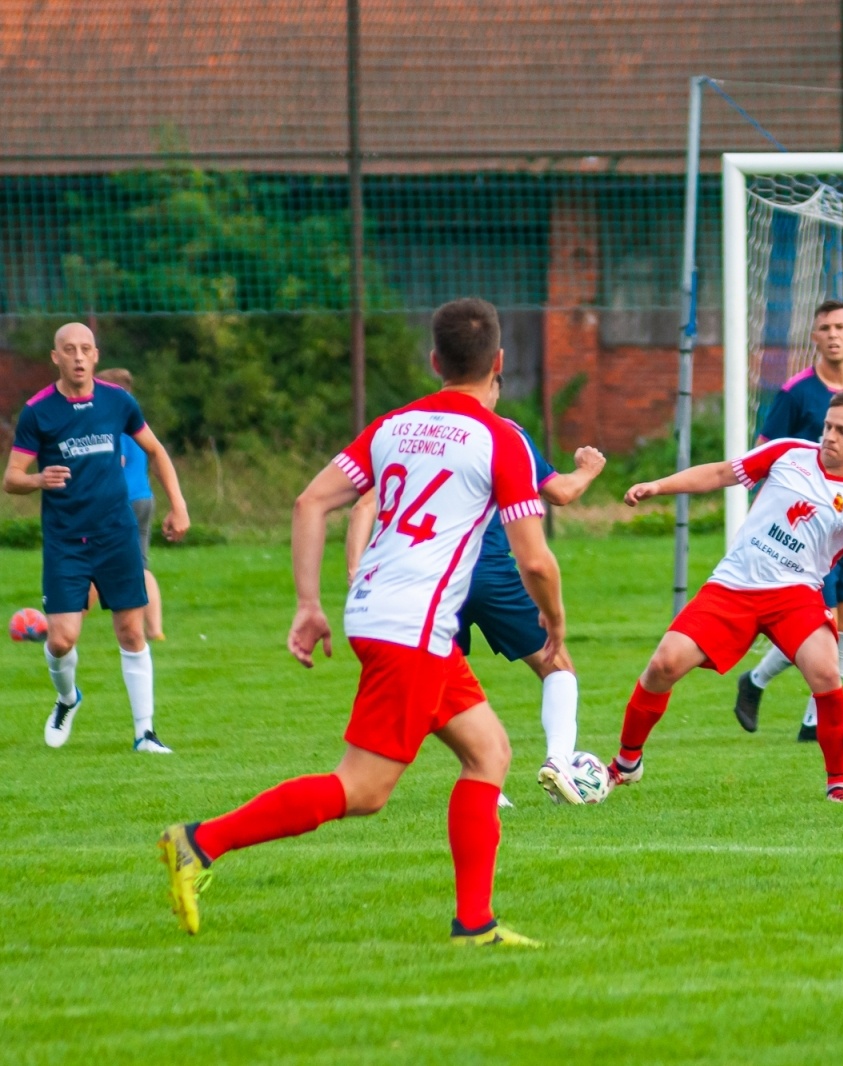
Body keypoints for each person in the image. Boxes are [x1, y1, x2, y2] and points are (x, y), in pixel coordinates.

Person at [157, 298, 564, 946]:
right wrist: (555, 624)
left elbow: (310, 502)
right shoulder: (501, 439)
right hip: (413, 627)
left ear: (434, 361)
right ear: (500, 362)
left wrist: (309, 604)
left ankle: (475, 924)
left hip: (380, 611)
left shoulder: (392, 426)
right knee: (364, 789)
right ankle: (200, 842)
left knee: (489, 752)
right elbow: (535, 558)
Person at [613, 387, 843, 802]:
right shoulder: (788, 453)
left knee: (827, 674)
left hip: (795, 597)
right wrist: (658, 486)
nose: (829, 436)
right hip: (734, 585)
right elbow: (721, 474)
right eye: (828, 426)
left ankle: (837, 785)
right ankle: (626, 763)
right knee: (663, 665)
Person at [345, 373, 605, 806]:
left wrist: (356, 567)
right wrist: (589, 469)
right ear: (493, 382)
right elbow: (560, 493)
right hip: (487, 572)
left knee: (444, 684)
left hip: (427, 580)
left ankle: (487, 784)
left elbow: (362, 504)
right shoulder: (504, 435)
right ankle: (559, 760)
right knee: (556, 664)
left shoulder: (410, 433)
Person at [3, 323, 189, 753]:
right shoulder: (38, 411)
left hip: (116, 534)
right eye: (69, 350)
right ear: (56, 357)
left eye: (85, 349)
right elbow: (11, 478)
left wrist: (178, 505)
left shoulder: (117, 401)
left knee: (132, 632)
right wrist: (38, 480)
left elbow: (156, 450)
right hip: (66, 540)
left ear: (96, 355)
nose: (78, 357)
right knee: (60, 639)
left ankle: (145, 733)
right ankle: (68, 698)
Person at [732, 300, 843, 742]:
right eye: (824, 327)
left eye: (840, 326)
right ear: (814, 337)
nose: (833, 334)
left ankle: (803, 715)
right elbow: (764, 452)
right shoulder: (796, 392)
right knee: (816, 622)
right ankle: (768, 688)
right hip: (802, 534)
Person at [98, 367, 165, 641]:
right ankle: (155, 629)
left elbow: (118, 460)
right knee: (141, 565)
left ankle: (69, 619)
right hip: (144, 497)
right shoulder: (138, 421)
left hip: (122, 501)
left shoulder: (114, 422)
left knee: (95, 561)